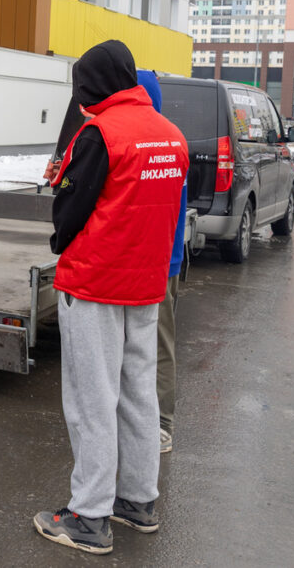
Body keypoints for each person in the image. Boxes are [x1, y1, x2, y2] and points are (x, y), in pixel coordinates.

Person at [32, 40, 189, 555]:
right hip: (146, 286)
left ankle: (88, 514)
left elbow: (71, 207)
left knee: (91, 400)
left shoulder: (100, 133)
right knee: (138, 394)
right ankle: (138, 500)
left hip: (96, 283)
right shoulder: (170, 136)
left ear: (94, 84)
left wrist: (60, 242)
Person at [136, 69, 189, 455]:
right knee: (149, 344)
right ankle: (148, 420)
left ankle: (161, 424)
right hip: (163, 259)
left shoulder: (148, 140)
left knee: (157, 343)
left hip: (155, 261)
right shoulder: (173, 137)